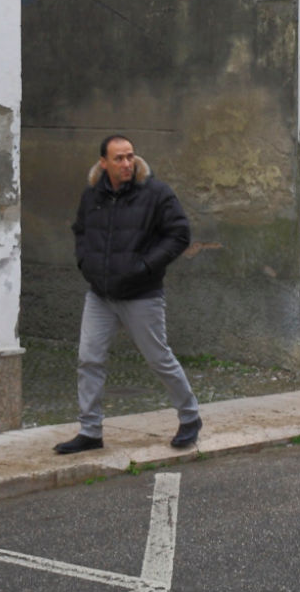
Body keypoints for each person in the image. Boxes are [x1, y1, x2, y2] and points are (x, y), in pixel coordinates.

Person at [54, 135, 203, 454]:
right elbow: (80, 232)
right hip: (100, 295)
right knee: (89, 359)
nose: (126, 163)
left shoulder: (156, 193)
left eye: (130, 156)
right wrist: (86, 263)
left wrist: (145, 266)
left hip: (141, 294)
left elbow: (179, 235)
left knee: (158, 358)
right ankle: (90, 431)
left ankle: (190, 418)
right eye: (118, 158)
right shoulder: (92, 195)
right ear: (103, 163)